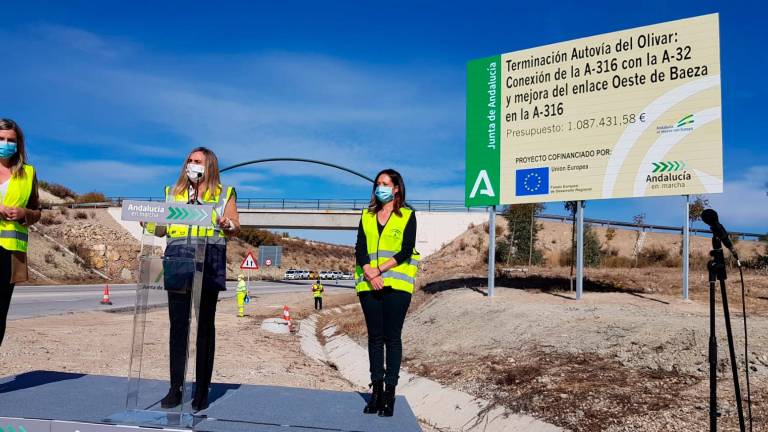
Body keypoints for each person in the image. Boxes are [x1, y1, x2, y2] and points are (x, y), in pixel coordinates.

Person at [145, 147, 239, 411]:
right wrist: (147, 220)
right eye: (189, 160)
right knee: (178, 328)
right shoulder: (172, 193)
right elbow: (160, 227)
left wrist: (226, 224)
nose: (191, 164)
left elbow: (235, 225)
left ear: (209, 165)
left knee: (204, 328)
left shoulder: (223, 193)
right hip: (176, 261)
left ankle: (201, 391)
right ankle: (175, 389)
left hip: (209, 261)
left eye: (197, 161)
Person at [354, 169, 418, 417]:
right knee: (374, 338)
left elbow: (406, 250)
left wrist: (379, 269)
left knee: (392, 338)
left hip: (397, 286)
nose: (380, 187)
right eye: (377, 184)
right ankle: (376, 392)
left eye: (385, 183)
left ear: (396, 188)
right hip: (368, 285)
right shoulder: (366, 215)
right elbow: (360, 247)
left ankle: (390, 393)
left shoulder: (408, 216)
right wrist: (370, 272)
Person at [0, 119, 41, 347]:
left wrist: (24, 212)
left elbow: (37, 211)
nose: (6, 144)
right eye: (1, 139)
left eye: (11, 140)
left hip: (9, 253)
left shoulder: (28, 173)